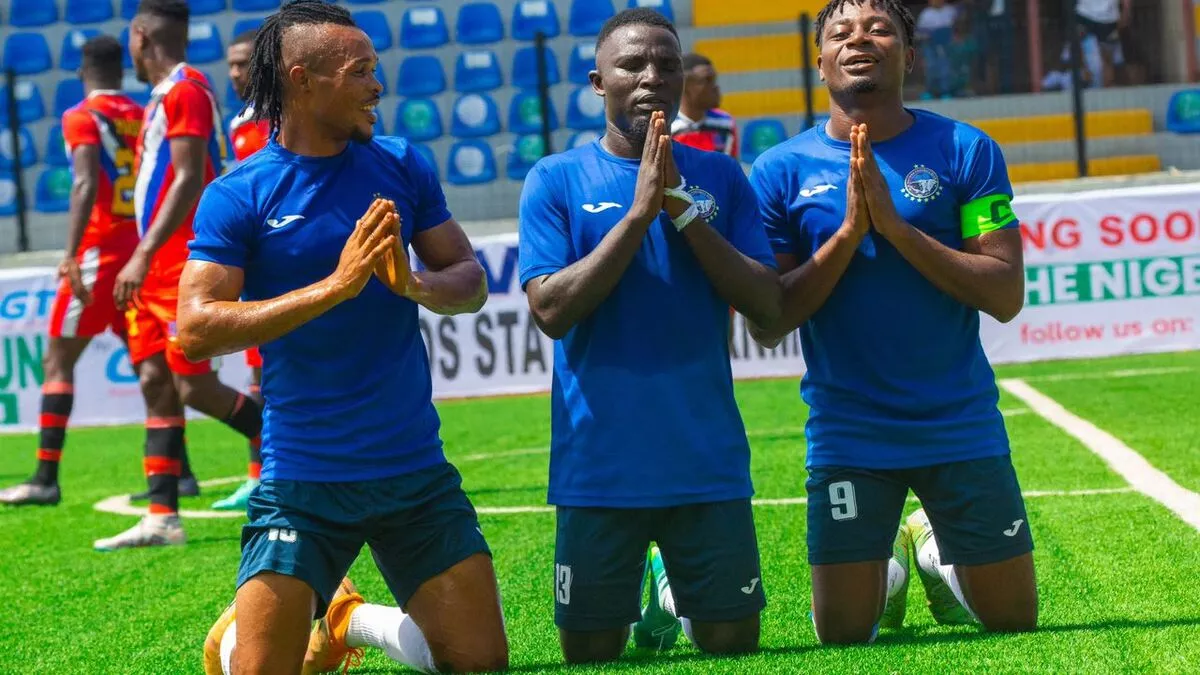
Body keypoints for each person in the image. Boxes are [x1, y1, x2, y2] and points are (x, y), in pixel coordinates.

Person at [175, 2, 507, 672]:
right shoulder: (240, 193)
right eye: (360, 72)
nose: (377, 85)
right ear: (303, 80)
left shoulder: (401, 164)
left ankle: (351, 619)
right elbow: (195, 326)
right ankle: (275, 625)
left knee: (481, 662)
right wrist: (336, 286)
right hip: (303, 478)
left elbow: (468, 279)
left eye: (375, 69)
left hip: (414, 471)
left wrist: (412, 285)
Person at [747, 0, 1037, 644]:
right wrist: (851, 232)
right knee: (844, 637)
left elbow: (1005, 292)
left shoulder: (966, 149)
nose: (860, 40)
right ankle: (896, 570)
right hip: (850, 431)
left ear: (909, 55)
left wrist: (897, 228)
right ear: (818, 60)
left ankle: (934, 557)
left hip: (959, 422)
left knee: (1015, 624)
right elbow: (770, 321)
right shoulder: (777, 171)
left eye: (880, 29)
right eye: (840, 33)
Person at [518, 8, 780, 665]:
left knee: (731, 641)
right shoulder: (555, 179)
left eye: (667, 63)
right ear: (598, 80)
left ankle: (669, 598)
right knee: (592, 651)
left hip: (705, 459)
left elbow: (767, 307)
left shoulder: (719, 177)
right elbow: (550, 308)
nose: (652, 76)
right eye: (632, 63)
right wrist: (638, 214)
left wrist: (681, 210)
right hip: (599, 468)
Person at [94, 0, 263, 551]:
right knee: (155, 383)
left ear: (142, 37)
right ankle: (162, 515)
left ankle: (284, 445)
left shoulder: (188, 89)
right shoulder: (163, 96)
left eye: (133, 44)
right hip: (156, 264)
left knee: (194, 386)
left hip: (179, 263)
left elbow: (190, 178)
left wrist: (141, 254)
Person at [0, 37, 162, 506]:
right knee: (148, 363)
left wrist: (70, 253)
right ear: (121, 69)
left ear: (80, 72)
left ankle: (45, 477)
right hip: (136, 251)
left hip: (98, 253)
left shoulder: (80, 116)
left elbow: (86, 181)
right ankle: (180, 473)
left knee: (58, 360)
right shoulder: (141, 112)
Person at [207, 26, 273, 513]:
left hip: (279, 259)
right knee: (257, 372)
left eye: (244, 63)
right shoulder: (239, 122)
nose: (236, 73)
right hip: (250, 260)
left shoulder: (281, 117)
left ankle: (272, 472)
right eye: (230, 64)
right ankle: (258, 475)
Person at [204, 577, 444, 675]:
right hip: (305, 481)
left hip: (405, 478)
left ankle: (346, 621)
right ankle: (234, 637)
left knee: (474, 651)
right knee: (259, 669)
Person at [670, 53, 738, 158]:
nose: (715, 87)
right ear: (684, 85)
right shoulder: (667, 126)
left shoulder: (725, 122)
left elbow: (731, 167)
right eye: (707, 80)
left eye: (714, 80)